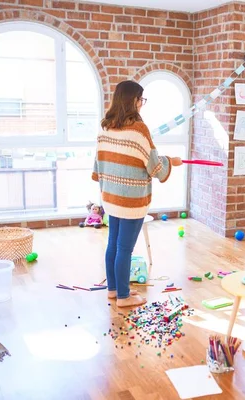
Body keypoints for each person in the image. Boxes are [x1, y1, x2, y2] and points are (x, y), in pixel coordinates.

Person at [92, 80, 182, 308]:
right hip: (131, 200)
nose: (142, 104)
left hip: (111, 196)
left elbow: (99, 162)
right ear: (133, 101)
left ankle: (113, 290)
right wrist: (171, 161)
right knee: (125, 248)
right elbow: (155, 167)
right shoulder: (138, 129)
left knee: (113, 244)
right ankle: (124, 296)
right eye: (141, 100)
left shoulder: (105, 126)